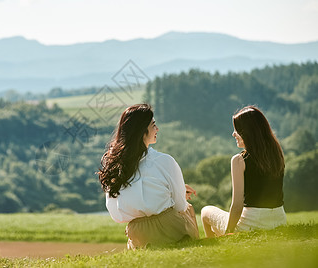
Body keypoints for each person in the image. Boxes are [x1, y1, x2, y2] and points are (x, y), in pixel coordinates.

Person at [98, 104, 199, 249]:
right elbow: (180, 205)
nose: (157, 129)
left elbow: (116, 214)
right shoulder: (164, 161)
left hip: (138, 234)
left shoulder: (114, 166)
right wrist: (178, 193)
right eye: (153, 125)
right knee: (188, 208)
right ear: (142, 130)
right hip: (169, 228)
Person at [201, 106, 287, 238]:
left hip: (252, 223)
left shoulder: (239, 160)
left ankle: (215, 244)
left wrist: (228, 232)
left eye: (237, 130)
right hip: (279, 221)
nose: (233, 134)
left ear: (247, 132)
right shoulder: (276, 152)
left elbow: (237, 205)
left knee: (205, 211)